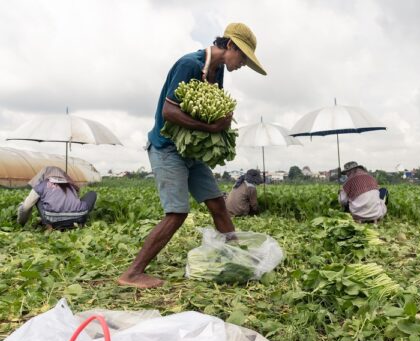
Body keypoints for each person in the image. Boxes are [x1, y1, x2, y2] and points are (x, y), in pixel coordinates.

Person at [118, 23, 267, 288]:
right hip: (167, 148)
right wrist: (210, 127)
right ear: (230, 45)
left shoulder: (217, 70)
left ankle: (237, 256)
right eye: (243, 56)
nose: (243, 64)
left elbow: (207, 107)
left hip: (190, 152)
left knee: (218, 204)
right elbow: (169, 112)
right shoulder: (189, 64)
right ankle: (132, 273)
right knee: (177, 212)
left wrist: (220, 122)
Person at [17, 166, 97, 229]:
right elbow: (76, 199)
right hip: (79, 217)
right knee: (92, 194)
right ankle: (79, 224)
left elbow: (26, 207)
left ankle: (49, 226)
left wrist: (21, 223)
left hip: (53, 220)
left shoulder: (41, 186)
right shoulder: (69, 185)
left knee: (36, 198)